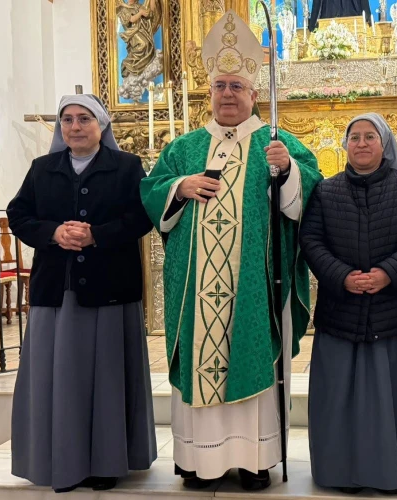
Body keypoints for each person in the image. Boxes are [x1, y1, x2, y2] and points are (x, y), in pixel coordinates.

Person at [140, 10, 321, 492]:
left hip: (255, 288)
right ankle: (198, 464)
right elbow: (152, 190)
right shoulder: (184, 148)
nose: (227, 95)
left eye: (236, 87)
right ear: (210, 92)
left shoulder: (277, 143)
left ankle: (256, 460)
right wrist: (179, 187)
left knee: (253, 363)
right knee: (199, 366)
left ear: (254, 95)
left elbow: (312, 197)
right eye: (220, 86)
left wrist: (288, 173)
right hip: (195, 289)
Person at [8, 94, 157, 493]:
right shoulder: (42, 169)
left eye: (84, 119)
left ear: (101, 126)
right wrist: (54, 233)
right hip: (57, 291)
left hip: (110, 291)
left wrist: (98, 236)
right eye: (68, 119)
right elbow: (18, 214)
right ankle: (59, 460)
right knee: (58, 380)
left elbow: (142, 216)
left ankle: (107, 463)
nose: (75, 126)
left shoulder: (126, 167)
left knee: (107, 378)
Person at [300, 113, 397, 495]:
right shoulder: (326, 191)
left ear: (384, 143)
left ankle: (395, 472)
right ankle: (339, 472)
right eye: (354, 137)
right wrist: (342, 275)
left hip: (394, 310)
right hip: (341, 310)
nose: (361, 143)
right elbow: (311, 240)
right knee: (339, 398)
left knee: (394, 398)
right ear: (345, 145)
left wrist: (387, 273)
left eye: (369, 136)